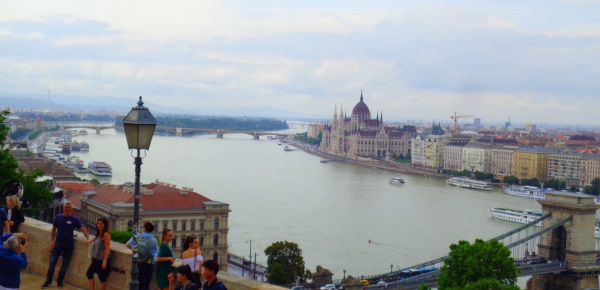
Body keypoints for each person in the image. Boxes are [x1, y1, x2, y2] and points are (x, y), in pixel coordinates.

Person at [42, 201, 90, 289]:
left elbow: (82, 228)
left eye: (69, 207)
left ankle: (59, 281)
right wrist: (52, 241)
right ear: (63, 208)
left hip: (68, 245)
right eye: (66, 207)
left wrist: (88, 238)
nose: (67, 209)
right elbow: (53, 229)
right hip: (58, 244)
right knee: (52, 263)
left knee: (65, 265)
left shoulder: (74, 219)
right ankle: (48, 281)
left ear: (71, 209)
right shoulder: (58, 217)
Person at [125, 222, 159, 290]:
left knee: (137, 283)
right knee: (145, 284)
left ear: (144, 228)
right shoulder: (153, 240)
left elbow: (127, 245)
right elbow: (155, 253)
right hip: (147, 263)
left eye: (142, 227)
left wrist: (136, 250)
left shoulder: (136, 236)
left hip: (136, 262)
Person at [86, 218, 111, 290]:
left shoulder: (106, 234)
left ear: (105, 225)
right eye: (98, 223)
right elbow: (95, 238)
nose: (98, 225)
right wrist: (90, 241)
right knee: (89, 274)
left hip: (101, 260)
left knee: (102, 278)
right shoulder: (98, 233)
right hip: (95, 259)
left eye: (101, 224)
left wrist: (104, 261)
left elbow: (107, 248)